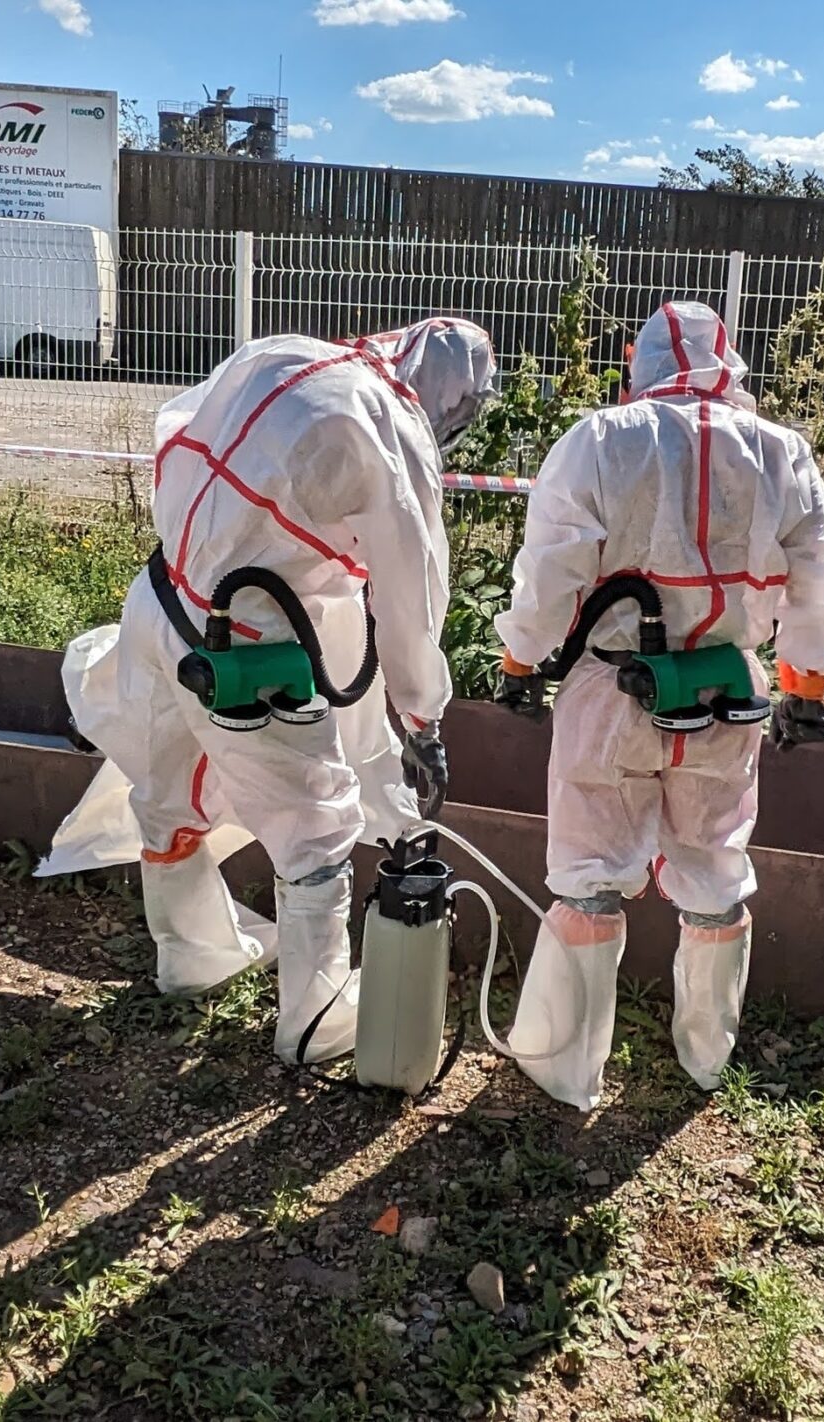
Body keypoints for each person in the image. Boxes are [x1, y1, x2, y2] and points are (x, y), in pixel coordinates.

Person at [43, 317, 498, 1064]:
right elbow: (413, 600)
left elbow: (180, 435)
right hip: (247, 647)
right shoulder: (393, 428)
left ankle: (191, 957)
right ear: (449, 398)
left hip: (161, 604)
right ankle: (316, 1023)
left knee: (168, 800)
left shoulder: (285, 354)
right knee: (316, 827)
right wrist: (423, 719)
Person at [490, 300, 824, 1109]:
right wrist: (807, 687)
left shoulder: (601, 440)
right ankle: (706, 1055)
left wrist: (519, 663)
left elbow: (549, 573)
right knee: (716, 871)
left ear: (635, 360)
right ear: (732, 368)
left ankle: (564, 1065)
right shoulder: (782, 451)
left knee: (587, 877)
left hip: (612, 688)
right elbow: (821, 576)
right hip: (730, 689)